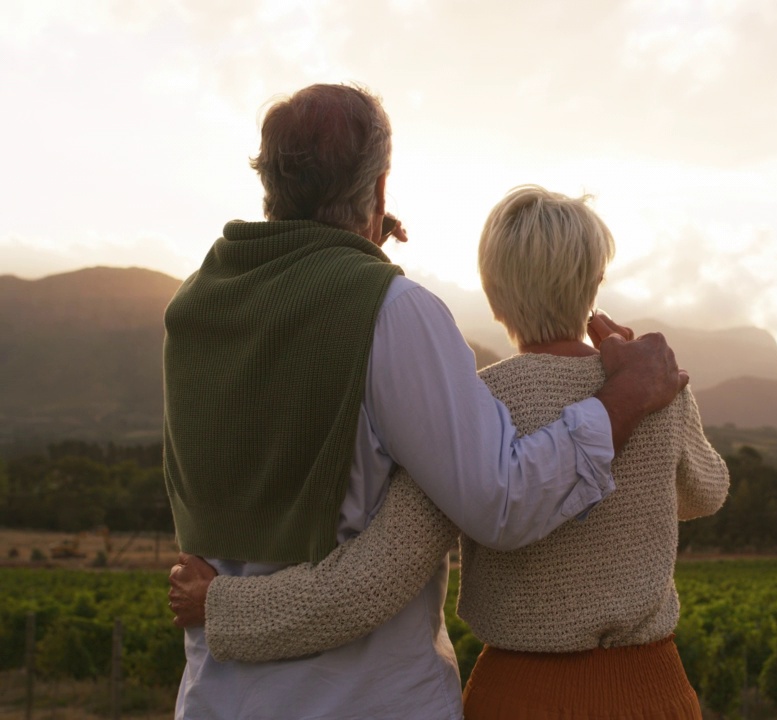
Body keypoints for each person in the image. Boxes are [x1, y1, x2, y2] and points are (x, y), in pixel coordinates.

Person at [162, 84, 687, 720]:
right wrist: (624, 398)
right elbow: (499, 501)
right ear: (380, 189)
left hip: (217, 696)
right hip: (360, 700)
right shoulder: (393, 310)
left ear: (270, 182)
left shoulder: (196, 309)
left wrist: (225, 606)